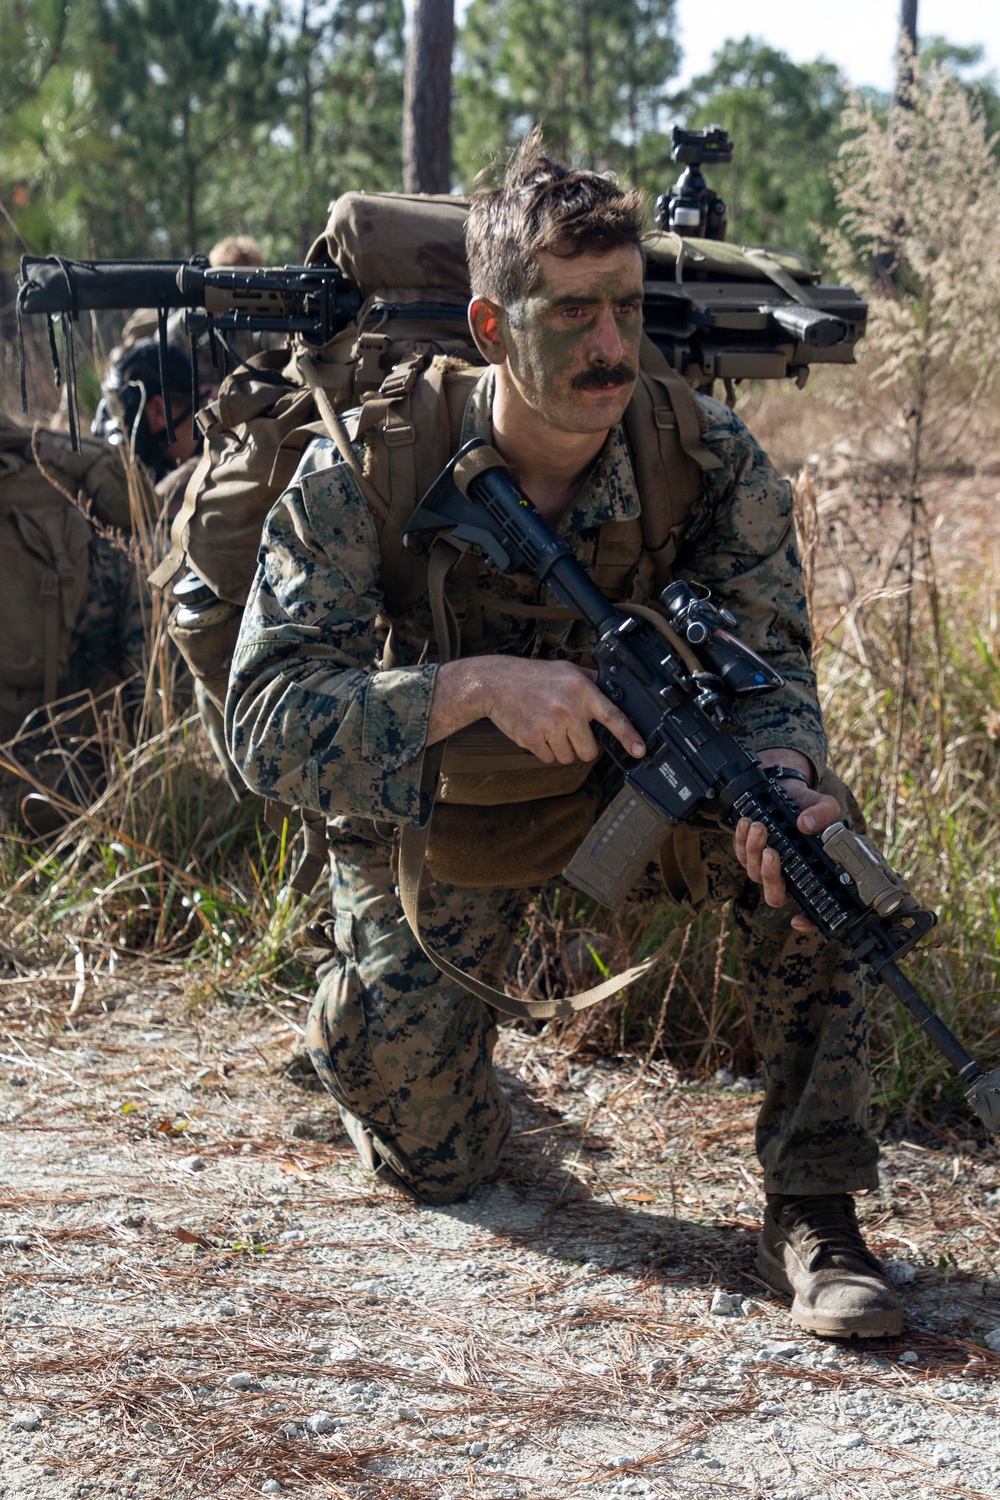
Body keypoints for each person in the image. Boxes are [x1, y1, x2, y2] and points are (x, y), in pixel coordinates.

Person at [225, 139, 904, 1341]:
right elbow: (264, 721)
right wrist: (473, 686)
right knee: (428, 1157)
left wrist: (789, 771)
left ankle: (815, 1209)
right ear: (491, 324)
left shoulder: (708, 463)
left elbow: (773, 678)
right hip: (457, 808)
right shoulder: (368, 465)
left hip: (657, 782)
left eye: (628, 309)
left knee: (815, 862)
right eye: (572, 312)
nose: (609, 345)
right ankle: (389, 1046)